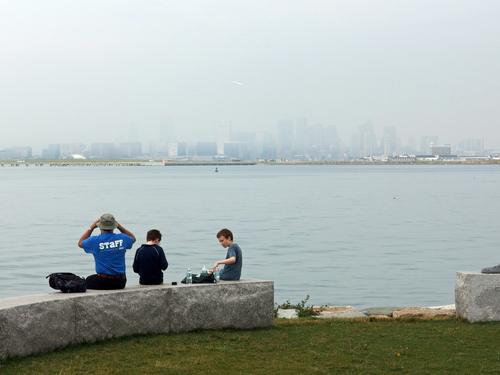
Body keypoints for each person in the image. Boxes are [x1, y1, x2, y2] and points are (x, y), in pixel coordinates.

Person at [77, 213, 136, 289]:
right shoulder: (122, 238)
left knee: (87, 280)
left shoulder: (94, 240)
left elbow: (80, 243)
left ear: (99, 226)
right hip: (121, 281)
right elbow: (133, 238)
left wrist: (91, 227)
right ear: (114, 226)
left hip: (104, 281)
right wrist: (120, 227)